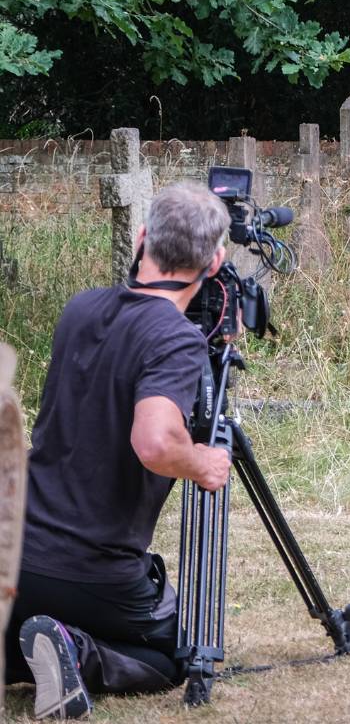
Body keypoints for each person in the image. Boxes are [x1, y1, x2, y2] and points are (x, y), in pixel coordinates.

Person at [4, 181, 232, 719]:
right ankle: (75, 651)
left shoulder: (81, 309)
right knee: (174, 652)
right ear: (215, 261)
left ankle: (28, 643)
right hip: (94, 571)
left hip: (15, 556)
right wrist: (203, 460)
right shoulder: (175, 337)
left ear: (141, 238)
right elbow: (154, 442)